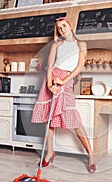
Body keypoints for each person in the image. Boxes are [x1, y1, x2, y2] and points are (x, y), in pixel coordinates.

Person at [31, 17, 96, 173]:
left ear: (70, 26)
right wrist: (49, 84)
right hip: (51, 80)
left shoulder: (81, 44)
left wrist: (63, 80)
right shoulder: (56, 44)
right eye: (59, 28)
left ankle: (91, 155)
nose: (62, 29)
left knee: (74, 120)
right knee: (48, 119)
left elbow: (79, 67)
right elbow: (49, 66)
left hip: (65, 80)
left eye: (64, 26)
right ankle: (49, 153)